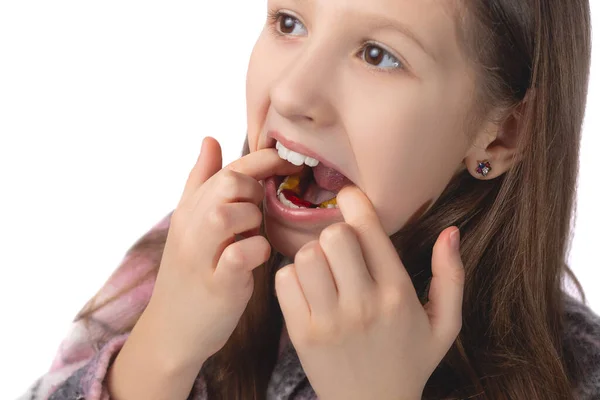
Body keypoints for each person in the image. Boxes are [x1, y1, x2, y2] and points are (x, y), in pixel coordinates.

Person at [18, 0, 600, 399]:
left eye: (378, 55)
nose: (293, 91)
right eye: (290, 21)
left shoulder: (575, 371)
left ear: (503, 133)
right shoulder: (180, 258)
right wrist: (162, 347)